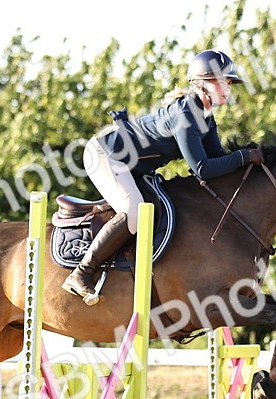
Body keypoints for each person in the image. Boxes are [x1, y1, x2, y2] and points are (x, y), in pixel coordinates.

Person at [62, 49, 265, 304]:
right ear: (202, 84)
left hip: (134, 166)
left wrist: (249, 161)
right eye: (220, 82)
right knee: (135, 211)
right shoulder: (186, 114)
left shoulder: (206, 116)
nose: (227, 88)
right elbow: (201, 168)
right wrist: (244, 157)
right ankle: (82, 273)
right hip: (106, 154)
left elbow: (217, 162)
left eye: (229, 82)